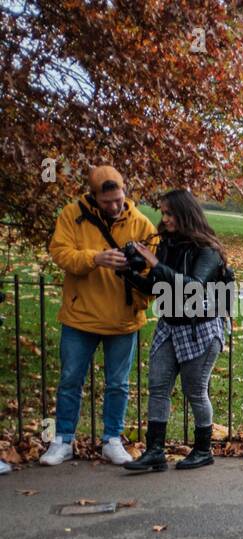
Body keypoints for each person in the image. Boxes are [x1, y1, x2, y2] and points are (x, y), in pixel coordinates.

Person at [42, 165, 157, 466]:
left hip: (122, 317)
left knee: (118, 383)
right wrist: (95, 258)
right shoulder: (71, 215)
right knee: (70, 379)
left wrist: (136, 264)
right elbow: (59, 253)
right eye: (107, 203)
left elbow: (156, 265)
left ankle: (112, 440)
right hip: (80, 316)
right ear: (93, 198)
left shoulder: (141, 223)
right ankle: (62, 440)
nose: (115, 206)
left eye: (119, 199)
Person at [121, 189, 230, 472]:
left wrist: (156, 264)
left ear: (185, 214)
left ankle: (203, 449)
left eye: (169, 213)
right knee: (158, 386)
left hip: (201, 328)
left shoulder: (208, 251)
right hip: (170, 326)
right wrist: (130, 275)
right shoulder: (168, 244)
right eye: (162, 212)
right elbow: (161, 288)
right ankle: (155, 450)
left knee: (195, 390)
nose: (164, 218)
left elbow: (192, 285)